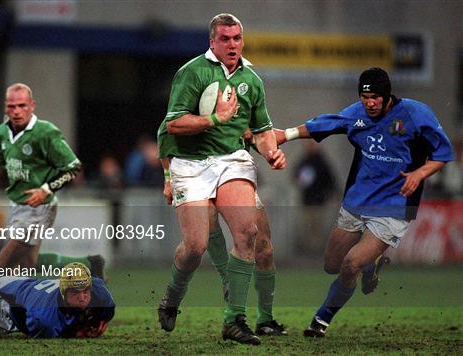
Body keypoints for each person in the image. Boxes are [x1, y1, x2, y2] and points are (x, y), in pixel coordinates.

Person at [276, 67, 454, 337]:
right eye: (364, 97)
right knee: (331, 265)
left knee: (350, 264)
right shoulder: (357, 114)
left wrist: (419, 173)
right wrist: (284, 135)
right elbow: (323, 123)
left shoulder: (416, 115)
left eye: (375, 98)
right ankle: (371, 264)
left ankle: (321, 320)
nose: (369, 103)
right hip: (357, 202)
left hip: (394, 207)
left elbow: (442, 153)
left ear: (387, 96)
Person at [156, 13, 285, 345]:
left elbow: (262, 131)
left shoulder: (252, 80)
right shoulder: (192, 72)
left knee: (249, 233)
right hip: (191, 164)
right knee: (195, 246)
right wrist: (215, 118)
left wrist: (271, 151)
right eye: (225, 39)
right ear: (212, 41)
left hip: (232, 160)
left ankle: (234, 320)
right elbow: (173, 125)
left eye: (237, 38)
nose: (232, 44)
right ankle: (173, 296)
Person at [0, 83, 105, 278]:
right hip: (17, 205)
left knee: (4, 262)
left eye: (22, 105)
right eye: (12, 106)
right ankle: (89, 264)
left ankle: (11, 307)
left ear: (32, 106)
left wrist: (45, 189)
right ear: (5, 107)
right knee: (29, 263)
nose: (17, 111)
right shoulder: (2, 132)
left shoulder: (45, 132)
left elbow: (73, 167)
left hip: (40, 207)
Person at [293, 140, 337, 254]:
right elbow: (295, 175)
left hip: (319, 200)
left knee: (317, 226)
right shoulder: (304, 161)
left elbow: (330, 179)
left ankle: (316, 251)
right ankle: (308, 249)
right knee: (307, 226)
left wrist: (331, 194)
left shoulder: (321, 162)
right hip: (307, 200)